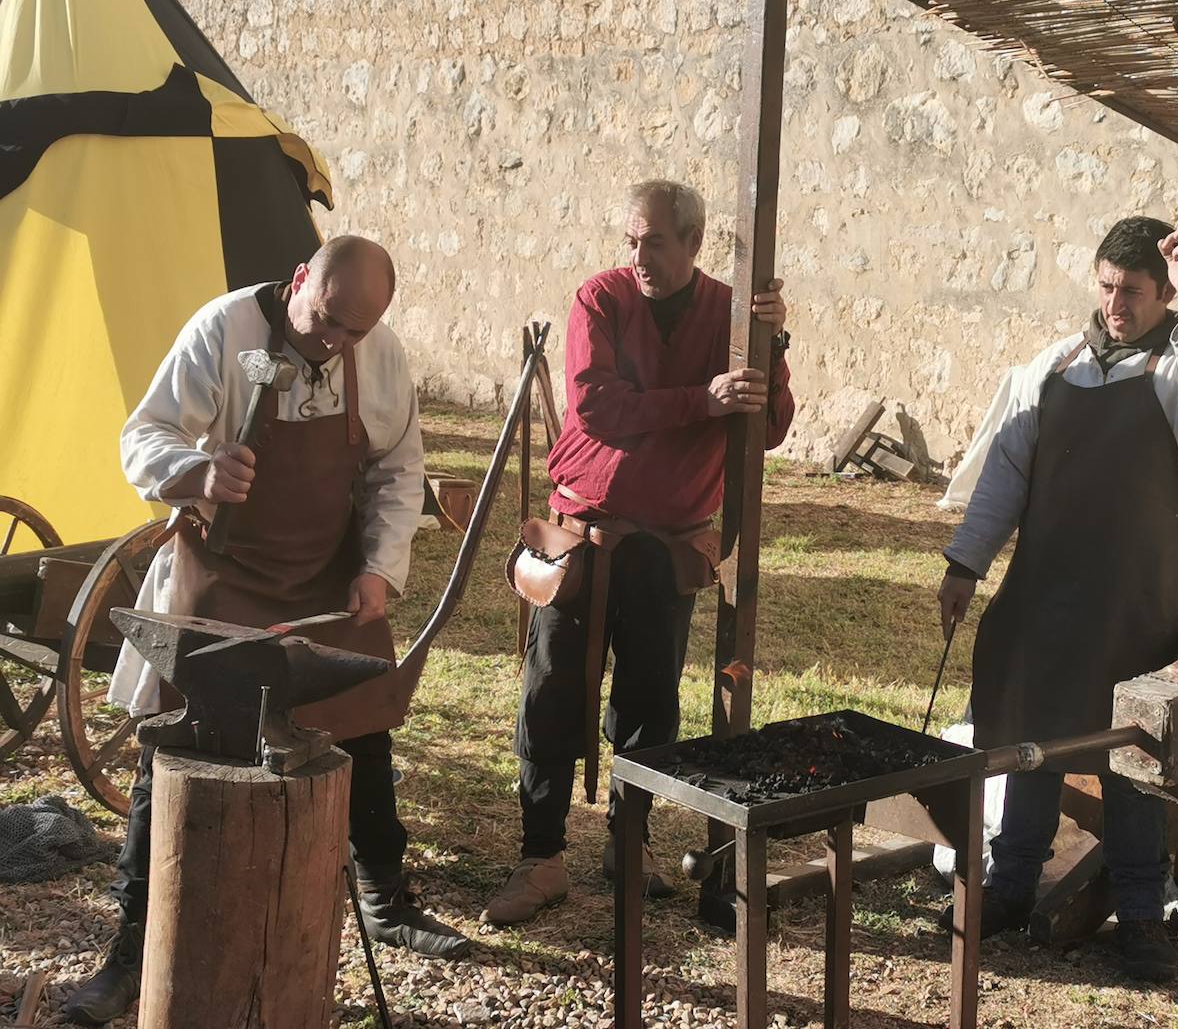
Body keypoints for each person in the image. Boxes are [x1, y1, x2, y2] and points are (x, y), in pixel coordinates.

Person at [65, 237, 469, 1027]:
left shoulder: (375, 354)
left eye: (354, 331)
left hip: (326, 577)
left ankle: (385, 894)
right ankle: (130, 949)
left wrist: (380, 568)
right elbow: (141, 436)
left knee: (365, 721)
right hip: (220, 578)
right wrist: (199, 470)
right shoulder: (222, 333)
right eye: (325, 321)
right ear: (298, 281)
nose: (335, 344)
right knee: (170, 750)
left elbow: (397, 468)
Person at [936, 216, 1178, 982]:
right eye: (1108, 287)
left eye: (1134, 292)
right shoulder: (1053, 369)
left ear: (1160, 292)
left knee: (1132, 759)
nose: (1117, 304)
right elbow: (1005, 479)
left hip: (1133, 613)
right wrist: (964, 565)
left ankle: (1142, 913)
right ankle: (1012, 882)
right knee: (1032, 742)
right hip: (1043, 600)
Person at [480, 180, 795, 927]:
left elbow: (770, 424)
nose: (639, 255)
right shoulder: (601, 299)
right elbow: (597, 405)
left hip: (667, 542)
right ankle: (541, 855)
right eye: (631, 240)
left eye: (654, 240)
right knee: (552, 687)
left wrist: (773, 346)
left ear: (692, 241)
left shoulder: (729, 310)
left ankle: (631, 841)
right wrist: (701, 400)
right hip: (580, 530)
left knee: (651, 700)